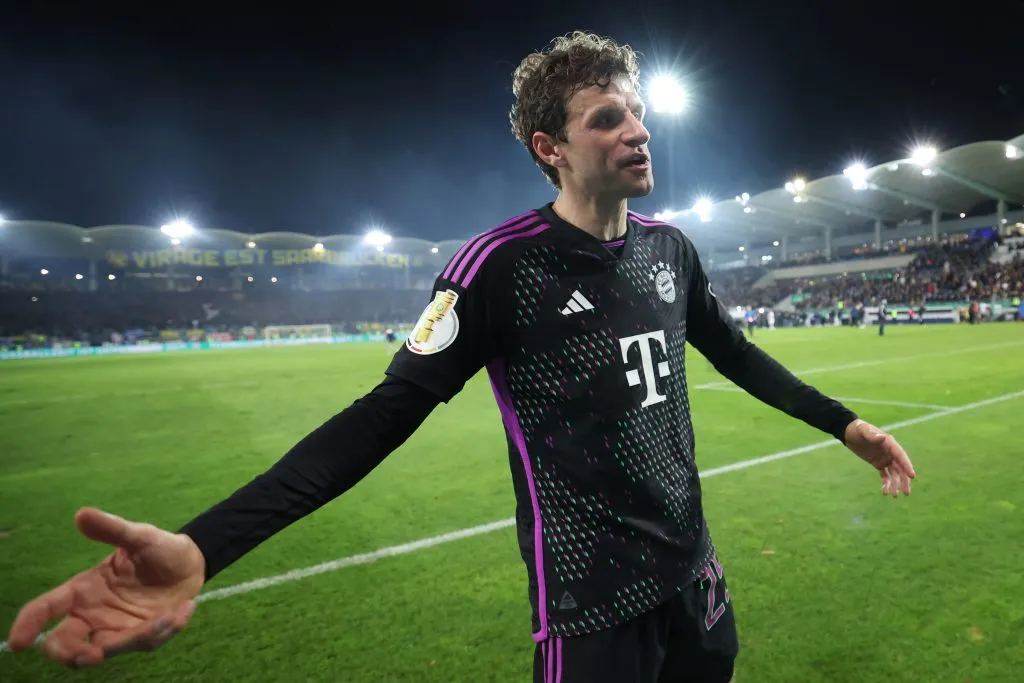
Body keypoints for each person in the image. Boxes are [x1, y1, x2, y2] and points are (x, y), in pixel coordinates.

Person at [5, 31, 916, 683]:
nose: (638, 130)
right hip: (590, 605)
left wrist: (848, 423)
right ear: (550, 148)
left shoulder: (670, 249)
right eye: (608, 119)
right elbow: (380, 417)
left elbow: (739, 354)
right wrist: (207, 543)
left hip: (696, 571)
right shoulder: (497, 268)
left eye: (638, 113)